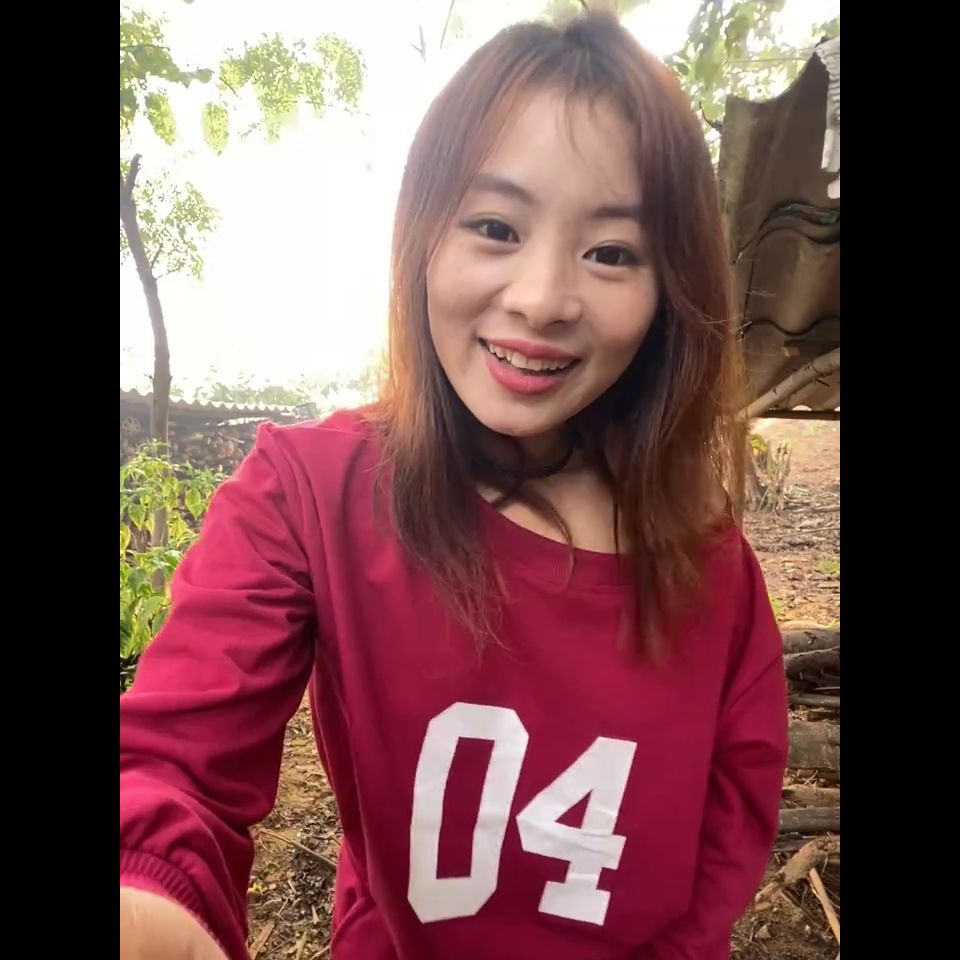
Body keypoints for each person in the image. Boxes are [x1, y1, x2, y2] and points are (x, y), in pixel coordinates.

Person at [120, 12, 788, 960]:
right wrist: (153, 909)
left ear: (669, 289)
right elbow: (175, 765)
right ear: (423, 236)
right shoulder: (309, 495)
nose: (541, 298)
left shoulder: (714, 574)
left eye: (611, 252)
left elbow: (721, 851)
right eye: (495, 227)